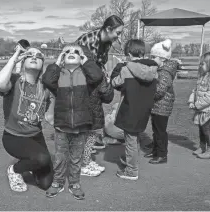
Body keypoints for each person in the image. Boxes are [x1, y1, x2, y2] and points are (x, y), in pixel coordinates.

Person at [42, 43, 103, 200]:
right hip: (62, 125)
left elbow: (97, 76)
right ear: (62, 57)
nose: (71, 53)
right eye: (67, 52)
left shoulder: (86, 75)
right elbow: (47, 80)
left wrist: (85, 61)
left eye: (76, 52)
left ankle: (74, 183)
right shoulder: (59, 74)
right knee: (60, 157)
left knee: (76, 158)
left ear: (81, 58)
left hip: (81, 126)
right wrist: (57, 62)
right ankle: (58, 182)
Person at [0, 45, 54, 192]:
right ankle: (14, 170)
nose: (34, 57)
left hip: (35, 136)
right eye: (30, 55)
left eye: (39, 56)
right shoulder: (14, 81)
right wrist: (14, 59)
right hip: (14, 137)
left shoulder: (45, 88)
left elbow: (50, 117)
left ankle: (30, 159)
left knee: (45, 183)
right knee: (42, 159)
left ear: (42, 65)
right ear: (23, 60)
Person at [76, 15, 123, 174]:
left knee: (93, 127)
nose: (118, 36)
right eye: (118, 32)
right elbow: (79, 66)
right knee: (87, 127)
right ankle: (82, 163)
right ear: (108, 29)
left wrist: (105, 79)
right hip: (83, 86)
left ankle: (85, 159)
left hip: (94, 86)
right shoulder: (87, 40)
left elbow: (100, 65)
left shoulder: (107, 43)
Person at [111, 39, 158, 180]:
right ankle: (131, 161)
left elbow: (115, 82)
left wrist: (117, 70)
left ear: (129, 53)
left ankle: (132, 170)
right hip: (144, 109)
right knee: (135, 137)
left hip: (130, 108)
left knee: (130, 139)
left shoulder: (126, 69)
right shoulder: (154, 70)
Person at [145, 39, 178, 164]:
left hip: (162, 106)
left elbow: (160, 90)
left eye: (154, 57)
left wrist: (148, 94)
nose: (152, 59)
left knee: (160, 131)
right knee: (156, 130)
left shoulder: (164, 72)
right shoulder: (161, 70)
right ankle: (155, 150)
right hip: (157, 106)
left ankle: (162, 154)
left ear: (162, 58)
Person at [188, 52, 210, 159]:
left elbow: (209, 97)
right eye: (200, 64)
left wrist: (197, 105)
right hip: (201, 109)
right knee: (201, 129)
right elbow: (195, 90)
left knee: (207, 130)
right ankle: (202, 146)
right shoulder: (201, 76)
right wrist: (191, 101)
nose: (200, 66)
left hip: (207, 111)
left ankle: (209, 150)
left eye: (203, 64)